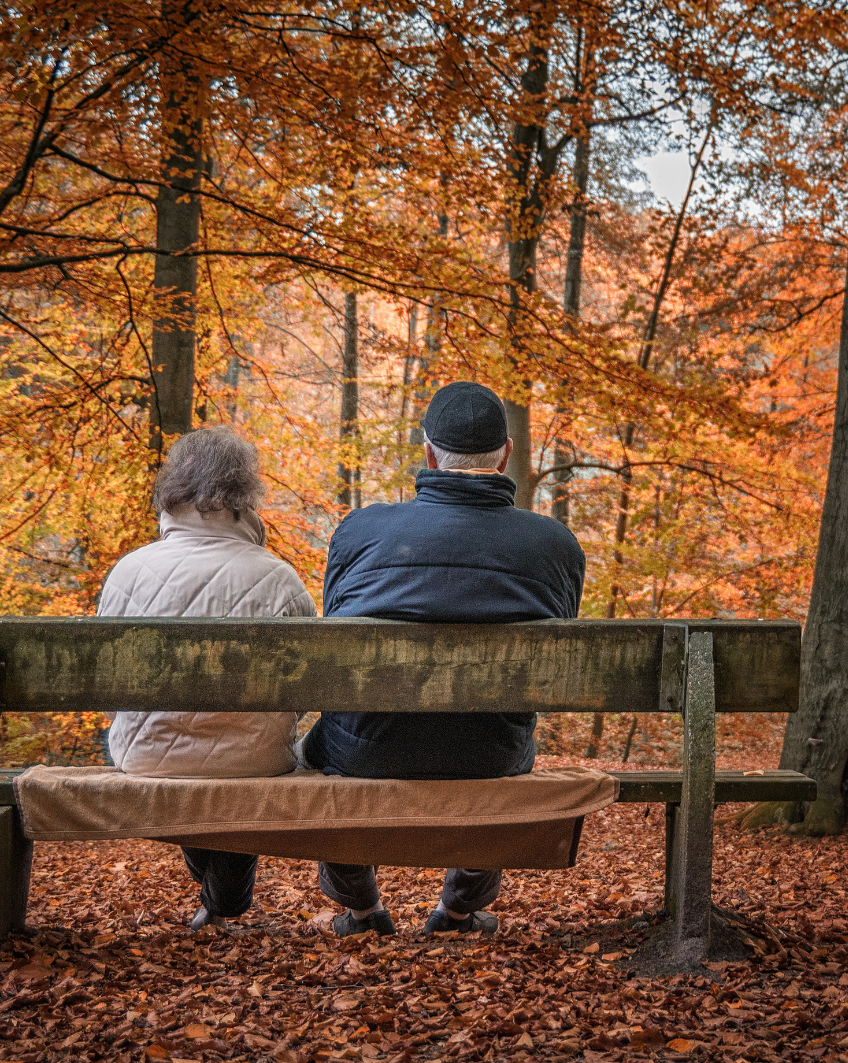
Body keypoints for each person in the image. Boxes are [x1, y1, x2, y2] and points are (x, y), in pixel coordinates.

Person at [301, 381, 585, 938]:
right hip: (490, 753)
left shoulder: (360, 531)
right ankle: (457, 912)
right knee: (493, 737)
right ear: (505, 456)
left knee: (330, 741)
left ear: (428, 453)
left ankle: (361, 912)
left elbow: (337, 628)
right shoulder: (554, 546)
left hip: (367, 751)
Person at [99, 426, 316, 930]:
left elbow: (110, 698)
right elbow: (304, 692)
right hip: (255, 758)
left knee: (191, 765)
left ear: (173, 491)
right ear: (246, 496)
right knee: (237, 761)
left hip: (146, 756)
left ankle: (221, 900)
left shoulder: (128, 572)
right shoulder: (278, 577)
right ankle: (227, 900)